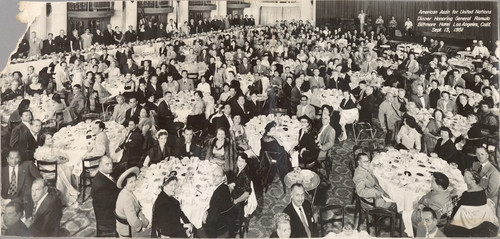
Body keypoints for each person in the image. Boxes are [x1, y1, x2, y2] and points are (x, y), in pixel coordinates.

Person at [444, 168, 499, 237]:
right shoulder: (482, 191)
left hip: (465, 225)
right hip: (480, 224)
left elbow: (456, 210)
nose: (463, 178)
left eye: (466, 177)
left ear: (473, 180)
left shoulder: (466, 194)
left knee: (446, 228)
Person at [114, 166, 150, 237]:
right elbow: (134, 222)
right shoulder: (127, 199)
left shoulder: (126, 191)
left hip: (126, 226)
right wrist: (145, 223)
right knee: (152, 229)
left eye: (135, 180)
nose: (134, 184)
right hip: (128, 231)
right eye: (131, 182)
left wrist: (142, 216)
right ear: (124, 184)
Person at [91, 156, 120, 237]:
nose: (110, 166)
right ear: (100, 166)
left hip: (106, 207)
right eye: (107, 164)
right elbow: (112, 202)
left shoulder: (103, 175)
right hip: (108, 214)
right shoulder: (100, 184)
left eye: (111, 163)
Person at [202, 166, 235, 238]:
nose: (214, 178)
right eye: (213, 175)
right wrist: (207, 211)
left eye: (217, 176)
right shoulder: (225, 187)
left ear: (223, 178)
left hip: (219, 224)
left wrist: (205, 220)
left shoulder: (218, 195)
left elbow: (213, 218)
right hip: (224, 218)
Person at [228, 153, 252, 235]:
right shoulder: (240, 170)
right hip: (236, 193)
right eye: (238, 160)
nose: (240, 163)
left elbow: (246, 194)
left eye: (242, 161)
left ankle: (230, 232)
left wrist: (236, 201)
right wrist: (233, 184)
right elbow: (239, 182)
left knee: (224, 208)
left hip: (238, 201)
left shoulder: (245, 175)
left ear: (246, 163)